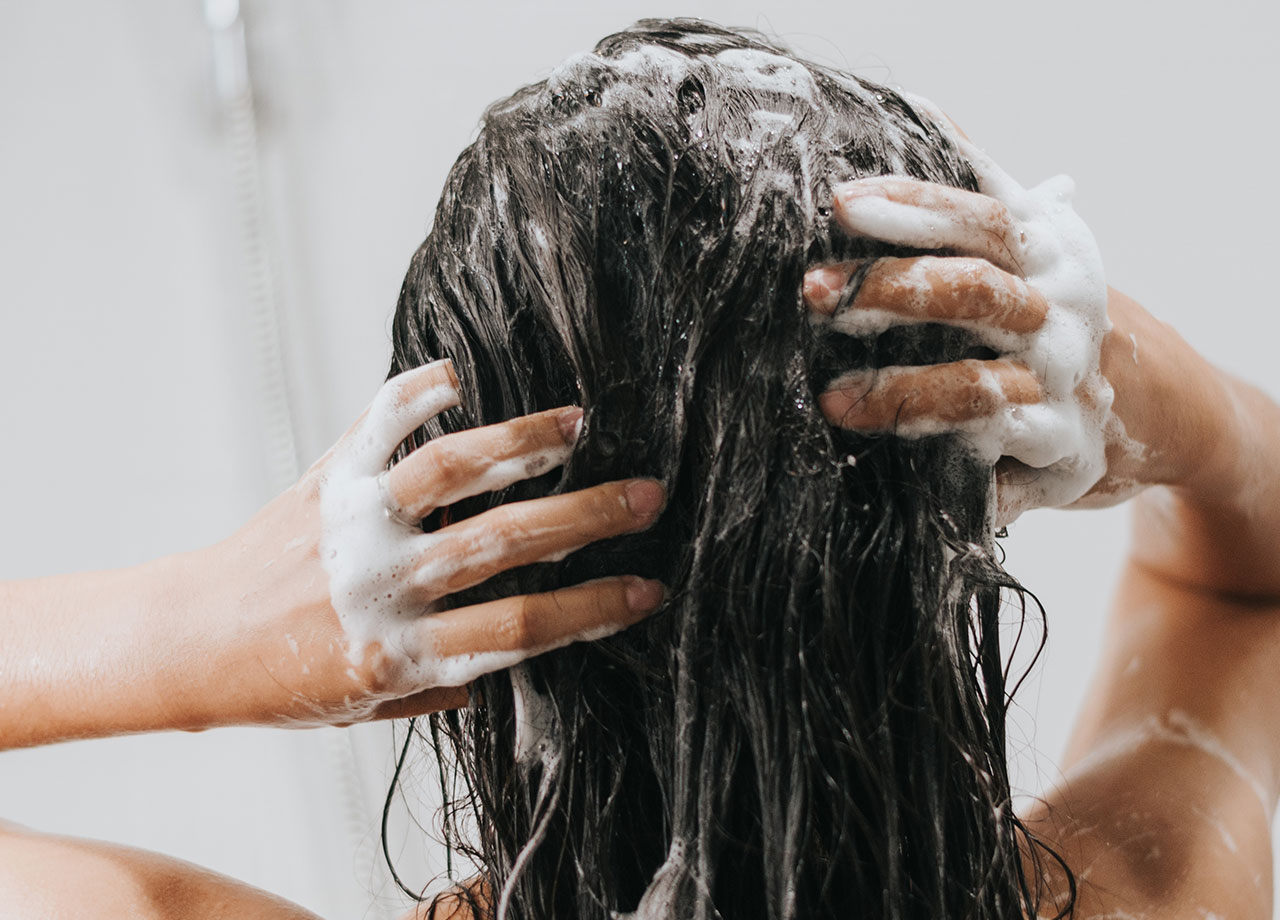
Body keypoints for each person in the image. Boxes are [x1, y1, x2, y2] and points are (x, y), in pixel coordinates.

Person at [0, 18, 1277, 920]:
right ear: (936, 520)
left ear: (469, 579)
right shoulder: (1161, 882)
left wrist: (190, 631)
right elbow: (1247, 590)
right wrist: (1161, 391)